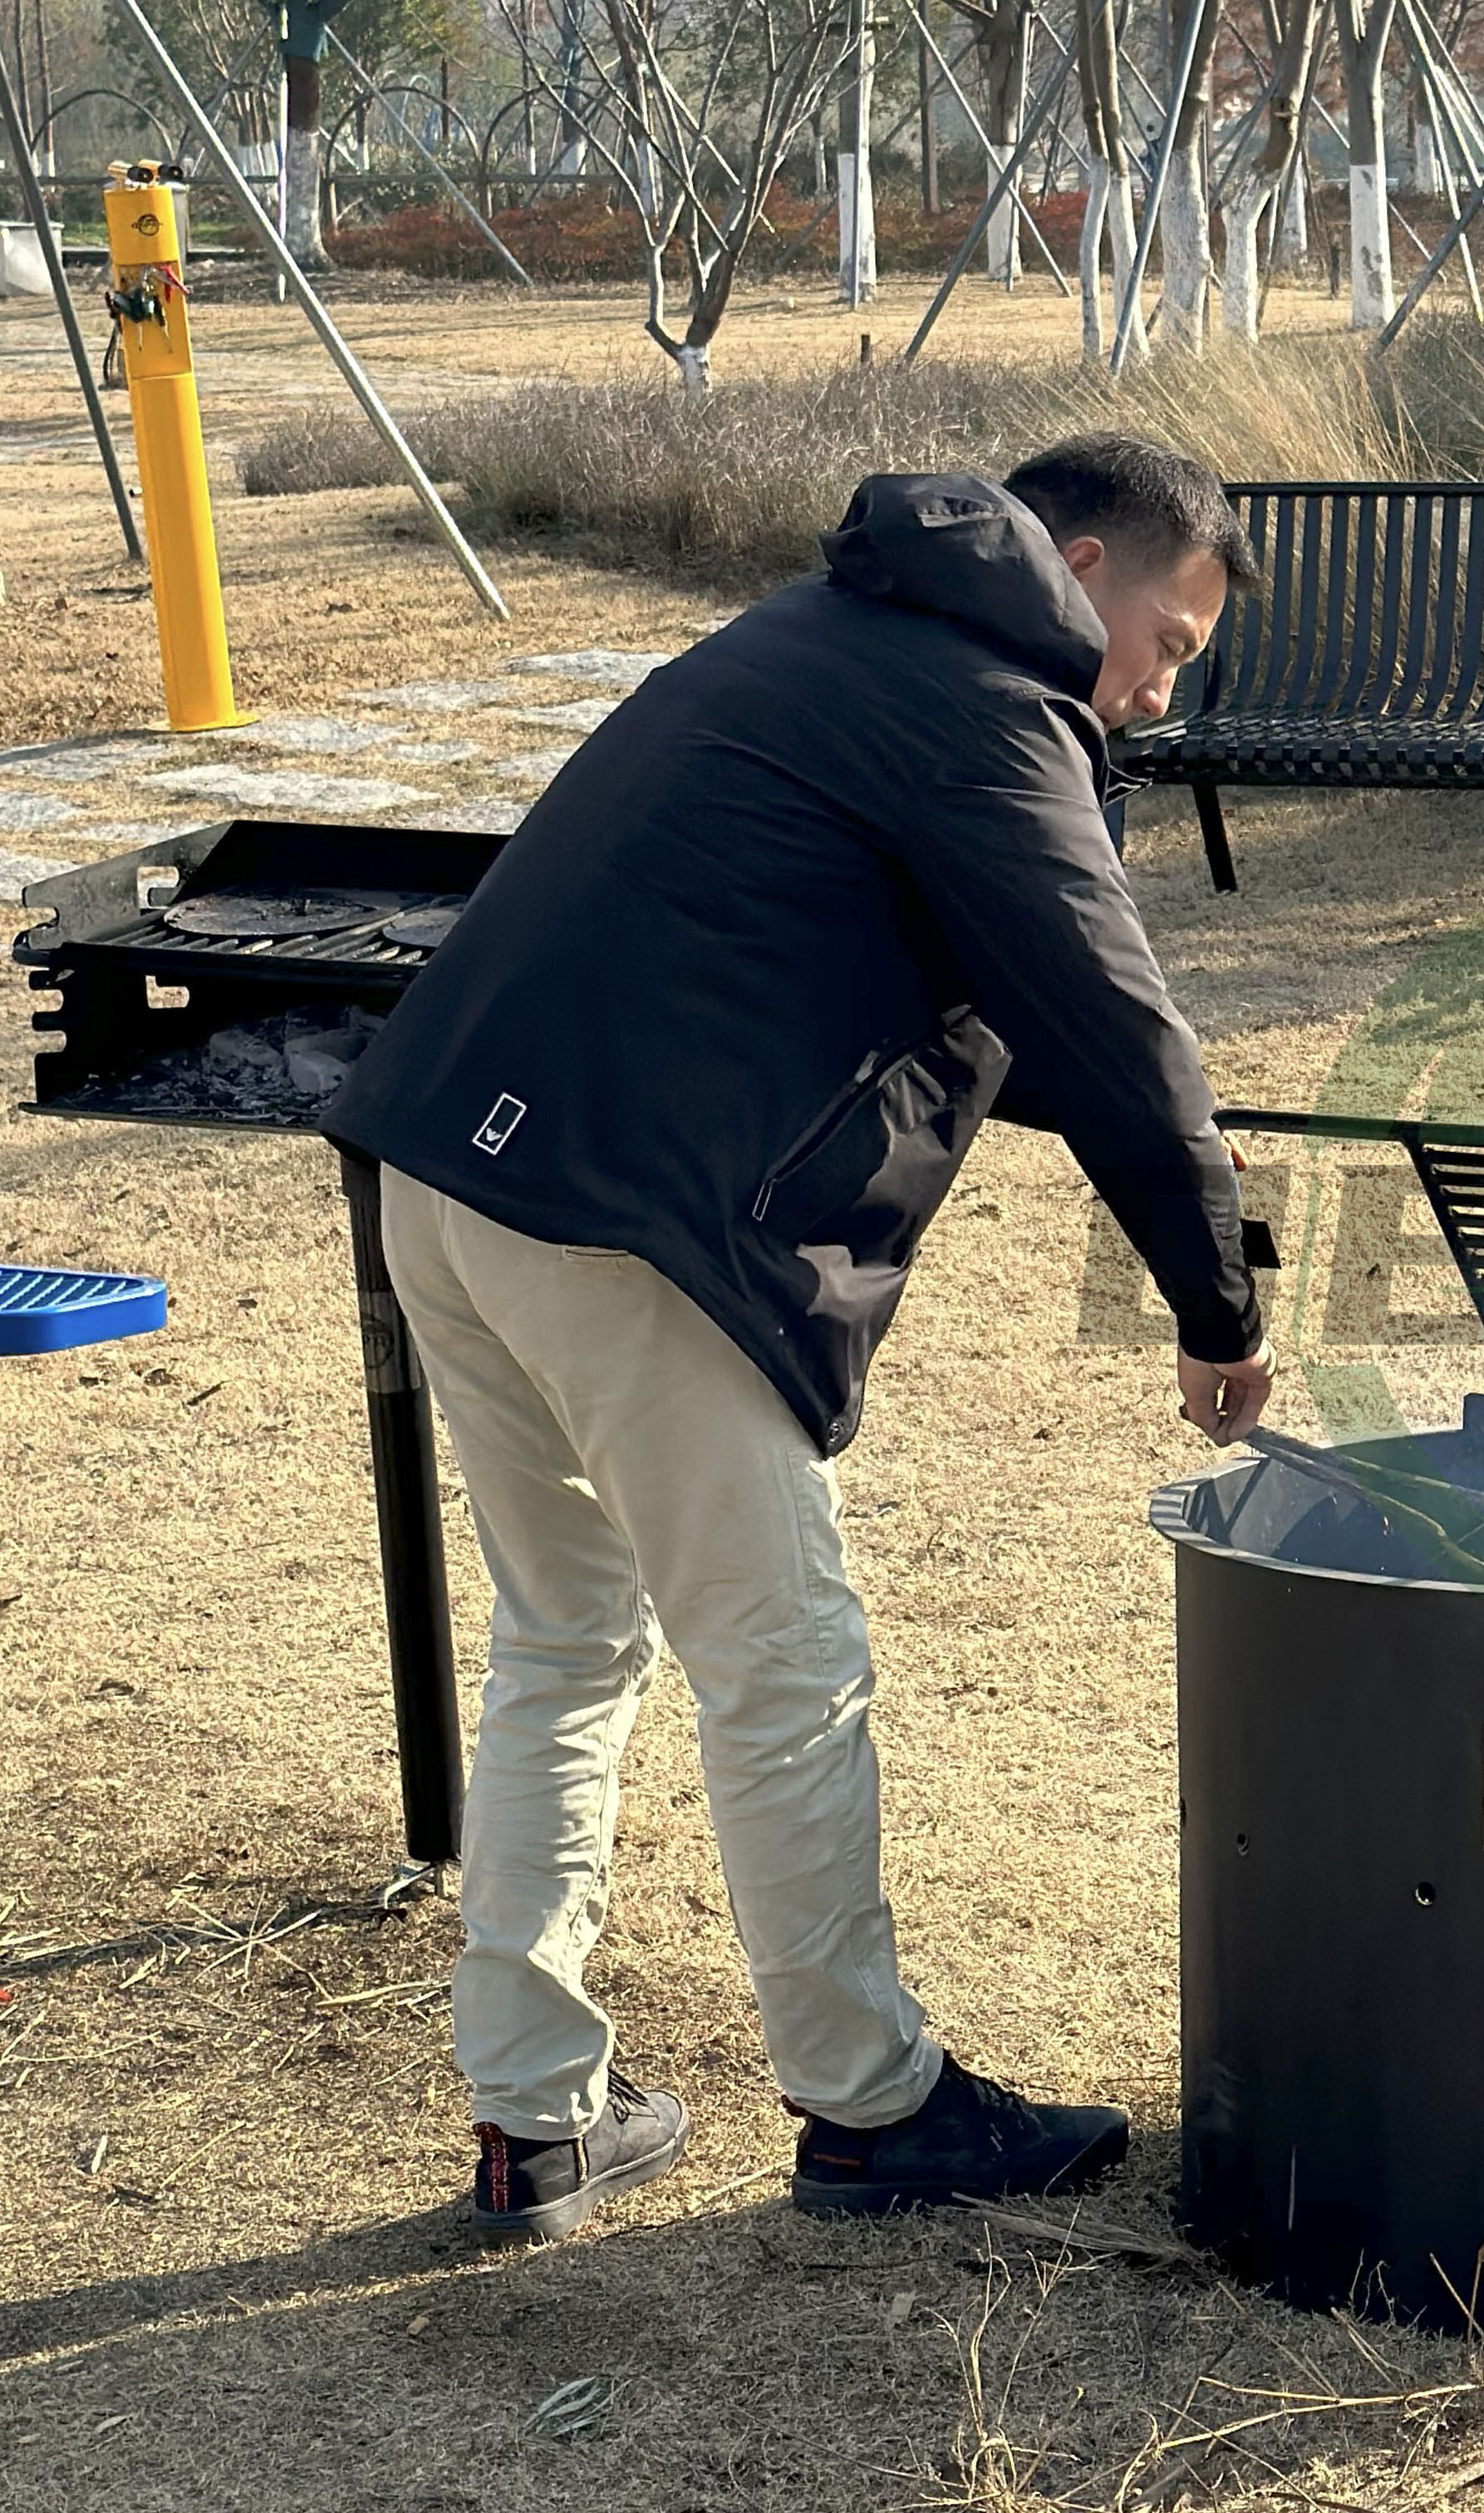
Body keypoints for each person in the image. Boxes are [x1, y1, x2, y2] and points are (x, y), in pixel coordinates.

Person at [322, 438, 1275, 2245]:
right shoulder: (985, 707)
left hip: (443, 1166)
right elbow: (1115, 1021)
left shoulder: (819, 630)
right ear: (1079, 565)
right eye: (1165, 635)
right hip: (620, 1219)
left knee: (564, 1636)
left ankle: (536, 2118)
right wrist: (1219, 1305)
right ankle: (871, 2107)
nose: (1161, 687)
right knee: (783, 1661)